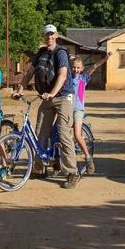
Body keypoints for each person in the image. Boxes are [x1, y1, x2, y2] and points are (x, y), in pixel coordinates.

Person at [15, 24, 78, 188]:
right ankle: (39, 168)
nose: (49, 37)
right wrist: (20, 90)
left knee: (63, 133)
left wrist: (52, 93)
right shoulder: (41, 53)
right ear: (44, 37)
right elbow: (30, 72)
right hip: (47, 97)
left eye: (51, 34)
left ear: (56, 36)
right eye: (46, 35)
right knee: (39, 132)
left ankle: (72, 172)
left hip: (64, 95)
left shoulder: (61, 53)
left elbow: (63, 75)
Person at [68, 57, 94, 175]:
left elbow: (94, 67)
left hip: (78, 110)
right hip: (67, 109)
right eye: (74, 67)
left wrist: (106, 58)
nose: (76, 70)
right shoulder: (67, 78)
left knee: (77, 135)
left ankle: (88, 158)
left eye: (78, 68)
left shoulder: (83, 79)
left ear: (82, 69)